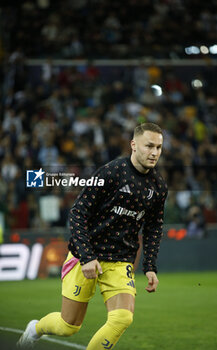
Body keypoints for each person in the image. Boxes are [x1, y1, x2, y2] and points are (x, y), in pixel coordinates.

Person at [17, 122, 168, 349]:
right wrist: (87, 256)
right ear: (133, 145)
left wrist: (150, 265)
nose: (154, 152)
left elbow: (154, 226)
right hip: (86, 255)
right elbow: (78, 213)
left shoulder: (158, 186)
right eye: (149, 146)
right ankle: (35, 329)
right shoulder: (111, 172)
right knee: (68, 326)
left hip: (120, 260)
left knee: (122, 318)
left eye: (158, 147)